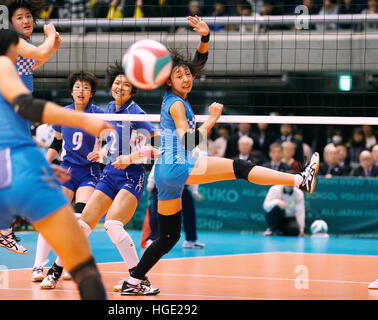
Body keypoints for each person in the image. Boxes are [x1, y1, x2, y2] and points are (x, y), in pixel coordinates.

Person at [118, 15, 320, 296]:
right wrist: (213, 119)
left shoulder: (178, 95)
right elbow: (189, 142)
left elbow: (197, 65)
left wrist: (205, 37)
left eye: (187, 75)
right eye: (179, 76)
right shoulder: (176, 105)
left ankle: (134, 280)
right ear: (168, 81)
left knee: (168, 236)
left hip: (166, 172)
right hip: (178, 163)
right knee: (240, 167)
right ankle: (300, 179)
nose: (187, 78)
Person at [0, 16, 110, 300]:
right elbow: (26, 105)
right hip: (24, 169)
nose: (16, 44)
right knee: (84, 269)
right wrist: (83, 121)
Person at [75, 61, 160, 294]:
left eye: (125, 85)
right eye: (116, 83)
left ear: (132, 91)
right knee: (83, 223)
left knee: (112, 224)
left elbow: (159, 141)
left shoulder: (137, 113)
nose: (119, 87)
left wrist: (132, 156)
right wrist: (103, 151)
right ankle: (55, 269)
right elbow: (113, 141)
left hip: (131, 176)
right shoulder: (111, 107)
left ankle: (139, 279)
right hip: (109, 173)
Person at [32, 71, 105, 289]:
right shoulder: (63, 113)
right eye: (77, 87)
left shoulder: (99, 114)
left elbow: (107, 142)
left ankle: (67, 262)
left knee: (78, 217)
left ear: (92, 93)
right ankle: (38, 266)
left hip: (90, 172)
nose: (81, 91)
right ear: (71, 91)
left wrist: (101, 152)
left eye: (85, 88)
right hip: (67, 170)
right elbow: (56, 144)